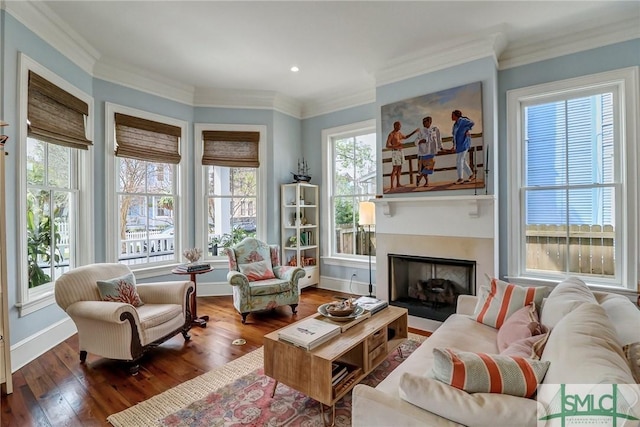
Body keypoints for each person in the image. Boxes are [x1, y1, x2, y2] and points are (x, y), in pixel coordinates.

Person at [386, 121, 417, 189]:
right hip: (395, 152)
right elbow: (387, 145)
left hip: (400, 151)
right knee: (395, 169)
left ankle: (398, 183)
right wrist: (396, 145)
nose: (400, 126)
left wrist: (414, 132)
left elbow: (406, 137)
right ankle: (391, 186)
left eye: (400, 125)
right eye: (399, 125)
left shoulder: (399, 133)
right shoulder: (391, 134)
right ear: (395, 126)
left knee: (400, 168)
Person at [414, 116, 442, 187]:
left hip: (431, 151)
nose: (423, 123)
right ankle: (426, 182)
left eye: (425, 122)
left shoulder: (435, 129)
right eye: (423, 122)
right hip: (423, 152)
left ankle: (419, 178)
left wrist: (440, 147)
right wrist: (419, 141)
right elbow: (416, 140)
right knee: (424, 167)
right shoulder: (421, 131)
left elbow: (438, 139)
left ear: (430, 122)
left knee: (429, 167)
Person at [451, 110, 474, 184]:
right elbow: (454, 136)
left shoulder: (462, 120)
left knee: (459, 160)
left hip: (464, 143)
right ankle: (471, 175)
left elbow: (472, 123)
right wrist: (454, 146)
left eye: (452, 115)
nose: (451, 117)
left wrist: (467, 130)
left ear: (456, 115)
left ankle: (460, 178)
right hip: (459, 145)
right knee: (462, 161)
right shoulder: (455, 125)